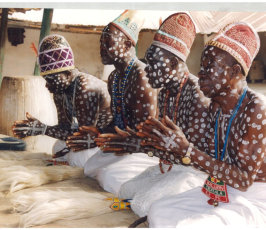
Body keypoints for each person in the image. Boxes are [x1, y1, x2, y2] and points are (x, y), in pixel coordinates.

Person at [138, 22, 266, 227]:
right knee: (158, 211)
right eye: (202, 65)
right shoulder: (216, 106)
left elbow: (243, 180)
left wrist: (186, 149)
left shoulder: (256, 108)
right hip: (220, 188)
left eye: (209, 66)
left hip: (254, 198)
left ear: (234, 71)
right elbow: (210, 157)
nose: (202, 73)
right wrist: (167, 146)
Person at [95, 12, 210, 218]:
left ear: (174, 65)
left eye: (154, 64)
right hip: (169, 167)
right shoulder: (166, 92)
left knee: (144, 204)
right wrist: (136, 143)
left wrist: (140, 146)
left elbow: (196, 160)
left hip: (194, 173)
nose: (148, 71)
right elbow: (160, 143)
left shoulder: (197, 95)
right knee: (126, 191)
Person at [65, 10, 159, 195]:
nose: (102, 48)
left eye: (107, 43)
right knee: (86, 163)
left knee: (110, 176)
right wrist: (97, 133)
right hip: (122, 145)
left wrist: (102, 139)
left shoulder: (141, 75)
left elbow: (145, 133)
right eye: (101, 43)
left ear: (127, 44)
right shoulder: (115, 77)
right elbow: (117, 121)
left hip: (145, 151)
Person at [12, 34, 112, 167]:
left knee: (80, 158)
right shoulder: (60, 89)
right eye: (46, 80)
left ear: (68, 73)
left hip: (107, 138)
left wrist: (42, 129)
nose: (48, 86)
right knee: (58, 147)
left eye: (51, 80)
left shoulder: (85, 87)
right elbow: (64, 128)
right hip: (89, 139)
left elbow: (86, 137)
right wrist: (40, 127)